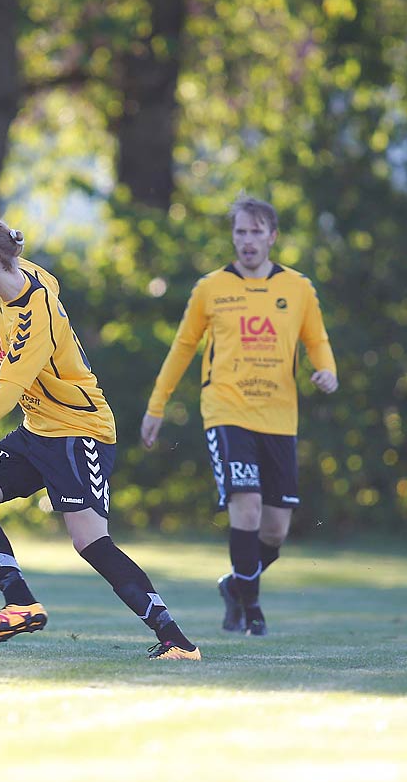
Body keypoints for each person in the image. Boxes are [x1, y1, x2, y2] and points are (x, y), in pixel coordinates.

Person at [0, 216, 201, 660]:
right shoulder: (18, 282)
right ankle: (20, 603)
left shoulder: (32, 314)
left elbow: (5, 394)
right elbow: (45, 279)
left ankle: (177, 641)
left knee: (91, 543)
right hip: (38, 431)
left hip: (80, 432)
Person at [139, 195, 338, 636]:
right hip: (226, 411)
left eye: (256, 232)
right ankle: (253, 610)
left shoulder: (297, 288)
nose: (247, 241)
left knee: (275, 532)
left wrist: (328, 371)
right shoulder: (211, 288)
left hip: (280, 418)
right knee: (244, 508)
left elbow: (317, 340)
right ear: (233, 237)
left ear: (273, 236)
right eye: (240, 232)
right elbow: (183, 348)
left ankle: (235, 584)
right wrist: (157, 406)